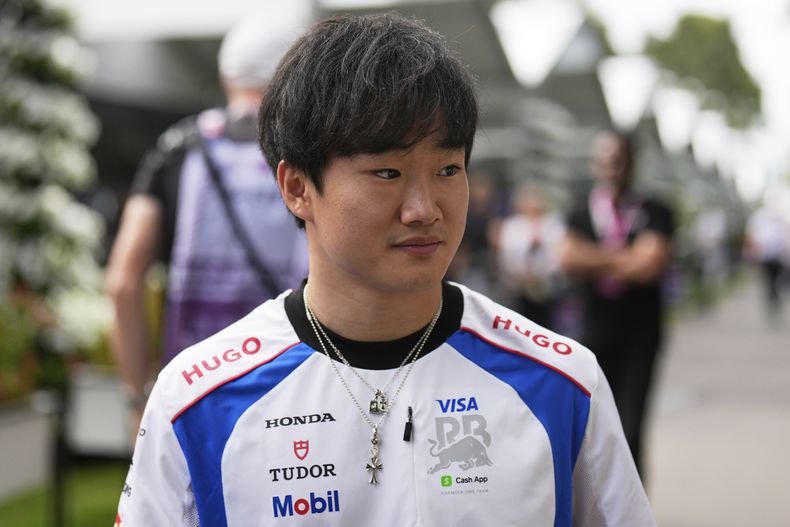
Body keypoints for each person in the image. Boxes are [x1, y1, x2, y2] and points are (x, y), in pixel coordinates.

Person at [114, 14, 655, 526]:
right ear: (297, 187)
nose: (424, 208)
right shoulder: (195, 401)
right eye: (387, 172)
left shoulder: (561, 385)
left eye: (448, 169)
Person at [105, 14, 309, 438]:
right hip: (297, 385)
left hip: (194, 389)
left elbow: (124, 283)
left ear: (225, 73)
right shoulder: (313, 151)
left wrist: (136, 398)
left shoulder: (176, 148)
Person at [560, 131, 674, 478]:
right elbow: (567, 257)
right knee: (590, 432)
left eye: (620, 159)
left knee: (631, 430)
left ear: (633, 162)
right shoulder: (580, 209)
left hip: (639, 336)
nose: (614, 167)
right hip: (591, 336)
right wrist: (627, 256)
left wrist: (592, 257)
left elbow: (650, 263)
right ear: (596, 164)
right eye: (607, 160)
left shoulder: (656, 209)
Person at [493, 185, 566, 329]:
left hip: (547, 286)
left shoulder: (552, 224)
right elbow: (507, 255)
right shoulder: (512, 225)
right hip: (519, 286)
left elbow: (559, 253)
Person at [743, 199, 789, 321]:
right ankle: (772, 301)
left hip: (776, 256)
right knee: (770, 281)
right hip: (765, 256)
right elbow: (752, 237)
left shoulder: (777, 218)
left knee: (774, 281)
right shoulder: (760, 217)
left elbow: (784, 236)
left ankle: (774, 300)